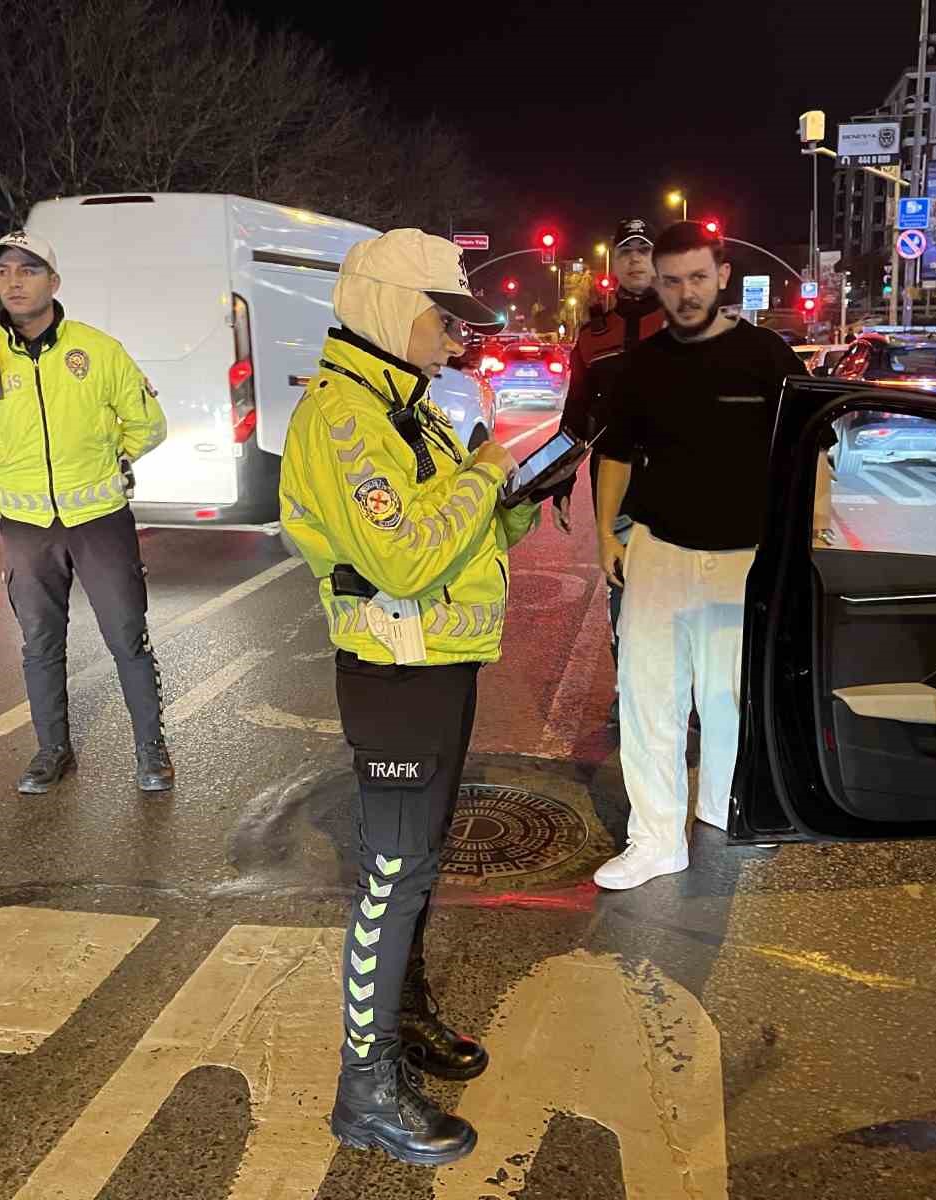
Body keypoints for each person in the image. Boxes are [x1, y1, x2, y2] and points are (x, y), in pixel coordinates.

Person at [279, 229, 540, 1166]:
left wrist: (510, 494)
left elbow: (453, 531)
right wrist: (485, 475)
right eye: (445, 313)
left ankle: (404, 1018)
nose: (458, 333)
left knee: (418, 868)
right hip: (394, 674)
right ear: (391, 309)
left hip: (437, 660)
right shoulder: (345, 418)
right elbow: (400, 553)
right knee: (391, 878)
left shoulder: (410, 406)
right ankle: (364, 1086)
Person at [590, 220, 800, 891]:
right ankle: (654, 840)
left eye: (697, 278)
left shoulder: (768, 357)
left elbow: (813, 444)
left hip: (741, 557)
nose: (684, 292)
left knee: (728, 696)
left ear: (723, 277)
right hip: (657, 547)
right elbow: (615, 453)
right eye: (672, 280)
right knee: (650, 698)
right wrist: (604, 535)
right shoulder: (644, 365)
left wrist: (803, 532)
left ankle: (721, 809)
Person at [0, 231, 171, 795]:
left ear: (53, 281)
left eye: (28, 270)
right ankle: (52, 751)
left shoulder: (97, 350)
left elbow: (147, 423)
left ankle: (151, 752)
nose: (14, 281)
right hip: (25, 525)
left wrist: (110, 456)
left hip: (98, 517)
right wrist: (3, 458)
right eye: (3, 272)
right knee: (40, 643)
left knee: (127, 636)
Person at [552, 219, 666, 725]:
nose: (637, 259)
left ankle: (682, 691)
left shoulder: (685, 323)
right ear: (614, 265)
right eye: (627, 252)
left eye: (645, 250)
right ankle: (631, 691)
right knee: (624, 590)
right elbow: (576, 413)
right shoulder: (595, 334)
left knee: (682, 589)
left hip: (679, 480)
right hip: (614, 484)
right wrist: (559, 479)